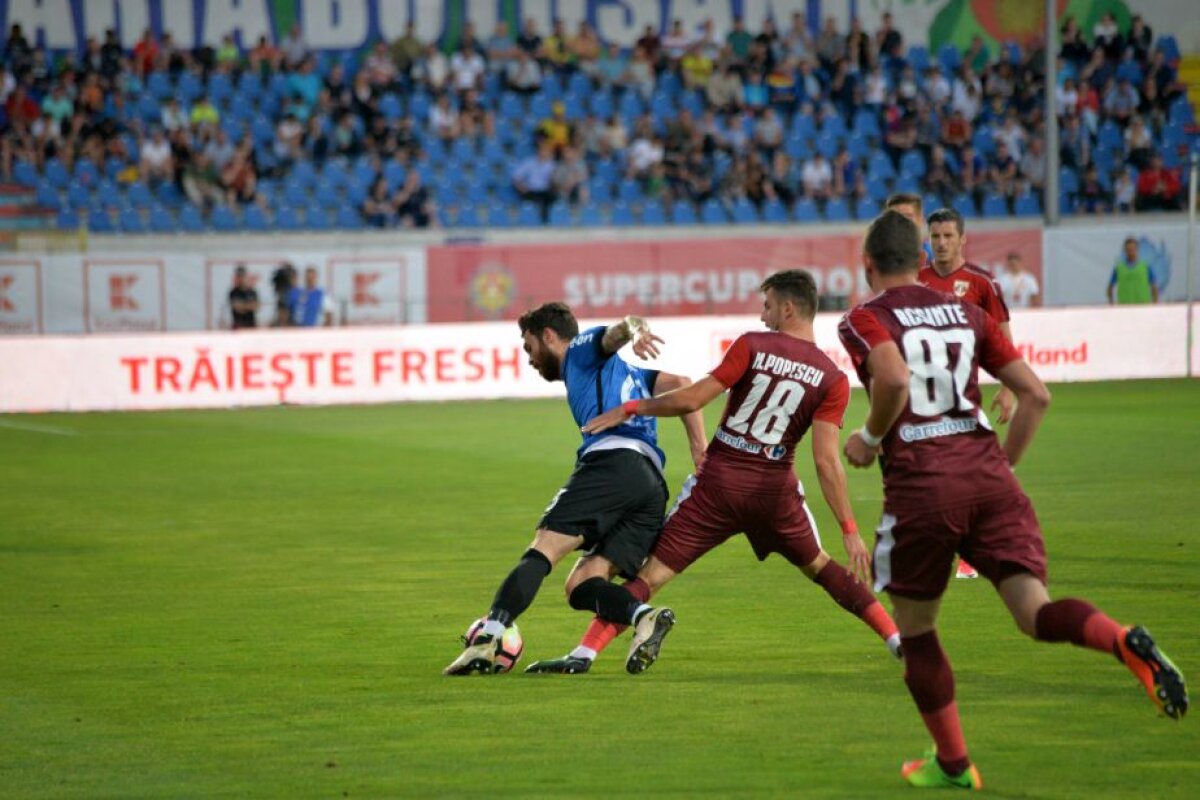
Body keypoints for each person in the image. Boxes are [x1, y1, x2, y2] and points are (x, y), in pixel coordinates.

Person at [837, 210, 1188, 790]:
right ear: (920, 259)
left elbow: (894, 379)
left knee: (917, 630)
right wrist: (1004, 469)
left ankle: (954, 763)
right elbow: (1036, 396)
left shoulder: (864, 318)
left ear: (867, 264)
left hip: (924, 486)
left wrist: (869, 439)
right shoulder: (968, 313)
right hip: (990, 480)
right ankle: (1123, 639)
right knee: (1035, 613)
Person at [527, 270, 902, 675]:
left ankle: (584, 654)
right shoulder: (833, 378)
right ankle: (898, 640)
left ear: (788, 308)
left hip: (717, 486)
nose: (762, 316)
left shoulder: (752, 345)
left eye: (768, 306)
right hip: (774, 494)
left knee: (650, 576)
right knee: (822, 569)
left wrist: (632, 408)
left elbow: (692, 399)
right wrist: (849, 528)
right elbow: (826, 462)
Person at [443, 306, 707, 676]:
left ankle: (489, 638)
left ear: (549, 336)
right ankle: (643, 617)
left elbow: (618, 331)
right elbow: (682, 383)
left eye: (530, 346)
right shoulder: (630, 373)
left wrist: (635, 329)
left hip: (612, 465)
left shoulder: (582, 349)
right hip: (649, 485)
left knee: (544, 549)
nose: (530, 358)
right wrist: (699, 449)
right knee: (582, 585)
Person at [1107, 237, 1159, 304]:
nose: (1130, 252)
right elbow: (1110, 287)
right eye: (1128, 249)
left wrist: (1155, 302)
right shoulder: (1119, 268)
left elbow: (1154, 286)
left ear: (1137, 249)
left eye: (1132, 249)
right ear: (1125, 251)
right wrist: (1111, 302)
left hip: (1143, 305)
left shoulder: (1146, 267)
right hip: (1124, 306)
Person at [228, 265, 260, 330]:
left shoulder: (252, 291)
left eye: (242, 276)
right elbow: (237, 307)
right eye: (239, 276)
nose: (241, 278)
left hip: (251, 325)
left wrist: (243, 305)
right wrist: (249, 305)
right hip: (238, 325)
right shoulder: (233, 292)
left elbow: (257, 306)